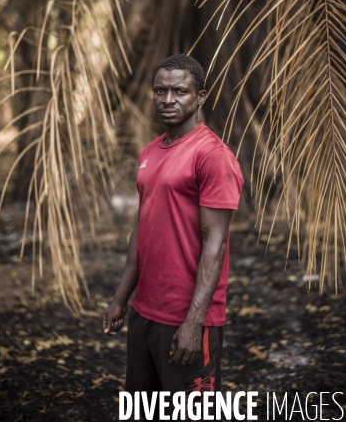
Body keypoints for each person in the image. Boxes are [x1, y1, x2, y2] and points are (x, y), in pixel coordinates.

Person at [102, 53, 244, 420]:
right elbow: (142, 228)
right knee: (142, 412)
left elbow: (216, 242)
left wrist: (194, 323)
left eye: (180, 91)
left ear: (200, 97)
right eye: (160, 91)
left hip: (187, 318)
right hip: (145, 312)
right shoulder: (149, 152)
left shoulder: (212, 155)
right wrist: (121, 298)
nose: (168, 100)